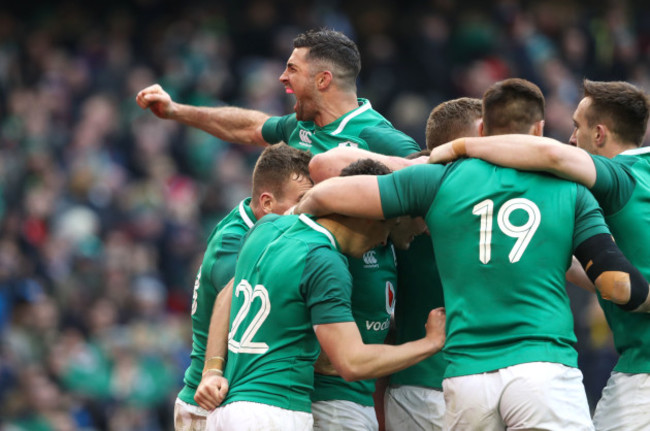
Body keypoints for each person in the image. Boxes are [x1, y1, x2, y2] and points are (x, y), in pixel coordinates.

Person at [293, 78, 650, 430]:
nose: (570, 138)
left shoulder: (439, 179)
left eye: (576, 128)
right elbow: (614, 281)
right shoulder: (571, 189)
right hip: (543, 366)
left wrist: (296, 216)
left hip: (466, 375)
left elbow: (329, 182)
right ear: (539, 129)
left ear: (482, 129)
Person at [428, 79, 650, 431]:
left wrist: (464, 145)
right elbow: (598, 272)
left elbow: (550, 155)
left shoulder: (621, 176)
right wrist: (544, 254)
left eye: (577, 127)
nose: (571, 138)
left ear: (600, 134)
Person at [207, 161, 446, 431]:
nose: (383, 241)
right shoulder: (326, 262)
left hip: (228, 409)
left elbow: (226, 295)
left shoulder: (267, 228)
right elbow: (351, 362)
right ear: (366, 214)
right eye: (386, 226)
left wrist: (212, 371)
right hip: (278, 412)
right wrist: (430, 343)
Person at [174, 144, 312, 430]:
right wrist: (212, 370)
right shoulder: (232, 243)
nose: (309, 209)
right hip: (209, 400)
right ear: (267, 203)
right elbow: (232, 301)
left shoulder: (258, 229)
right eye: (301, 200)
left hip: (232, 399)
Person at [136, 29, 420, 157]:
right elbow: (249, 127)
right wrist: (176, 111)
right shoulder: (301, 125)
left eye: (292, 69)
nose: (282, 77)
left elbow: (431, 181)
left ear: (322, 80)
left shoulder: (378, 137)